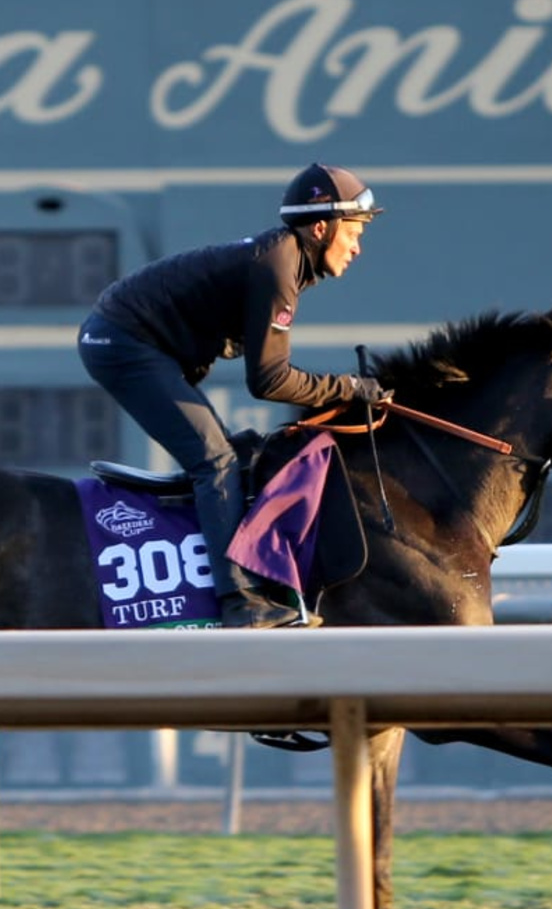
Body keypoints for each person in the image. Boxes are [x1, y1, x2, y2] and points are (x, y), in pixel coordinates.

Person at [77, 163, 388, 629]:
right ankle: (240, 602)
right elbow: (268, 382)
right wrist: (350, 388)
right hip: (123, 342)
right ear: (321, 227)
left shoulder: (288, 260)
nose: (358, 247)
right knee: (215, 462)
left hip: (142, 341)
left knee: (234, 455)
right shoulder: (280, 263)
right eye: (353, 232)